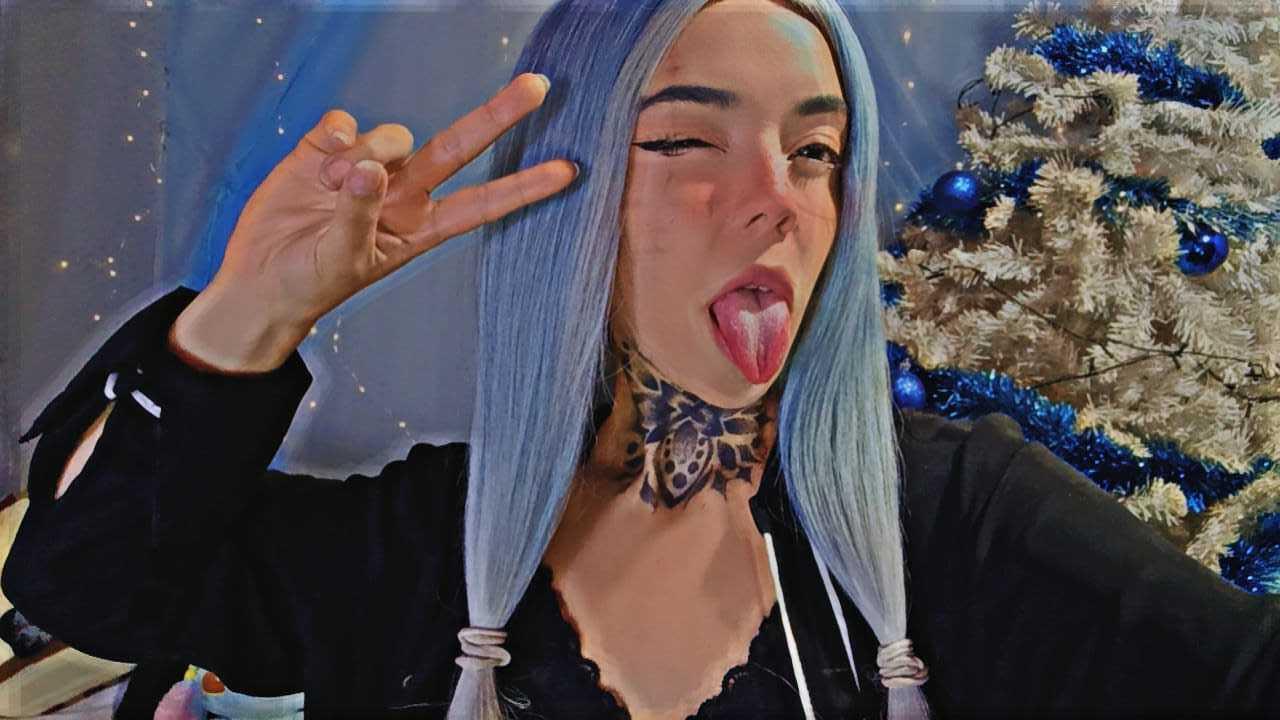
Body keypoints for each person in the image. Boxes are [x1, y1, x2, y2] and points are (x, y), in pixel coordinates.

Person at [4, 0, 1278, 718]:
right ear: (566, 202)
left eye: (815, 152)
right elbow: (87, 586)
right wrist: (250, 313)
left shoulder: (952, 523)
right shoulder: (418, 551)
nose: (776, 199)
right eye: (682, 143)